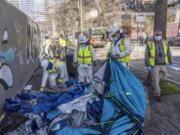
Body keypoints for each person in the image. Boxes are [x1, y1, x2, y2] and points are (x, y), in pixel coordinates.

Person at [145, 30, 173, 102]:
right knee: (156, 80)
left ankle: (155, 87)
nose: (158, 36)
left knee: (164, 78)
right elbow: (146, 55)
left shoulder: (165, 42)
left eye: (159, 34)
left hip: (163, 64)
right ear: (154, 35)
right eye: (156, 34)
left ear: (161, 35)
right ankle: (157, 94)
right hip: (155, 65)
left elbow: (169, 53)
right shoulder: (150, 43)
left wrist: (170, 62)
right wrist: (147, 65)